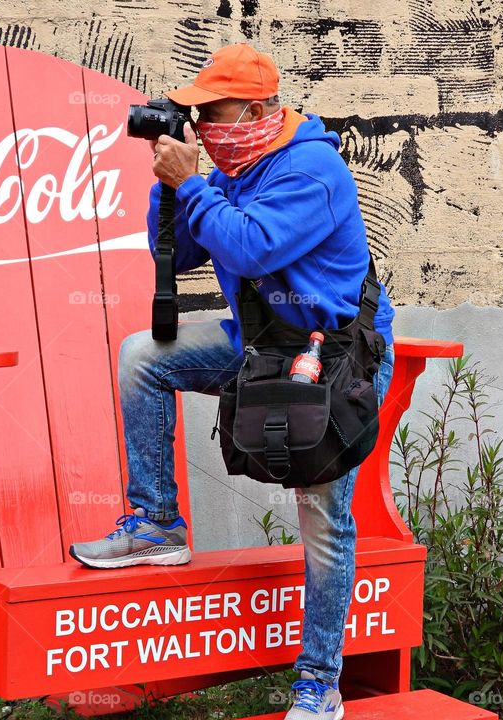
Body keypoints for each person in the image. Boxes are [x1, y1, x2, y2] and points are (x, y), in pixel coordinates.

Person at [69, 42, 396, 720]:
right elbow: (179, 251)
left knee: (322, 517)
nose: (203, 127)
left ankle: (319, 684)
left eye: (211, 114)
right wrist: (172, 185)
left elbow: (250, 246)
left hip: (335, 356)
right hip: (261, 347)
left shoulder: (312, 168)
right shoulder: (232, 169)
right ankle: (158, 524)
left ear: (256, 110)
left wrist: (194, 184)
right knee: (143, 356)